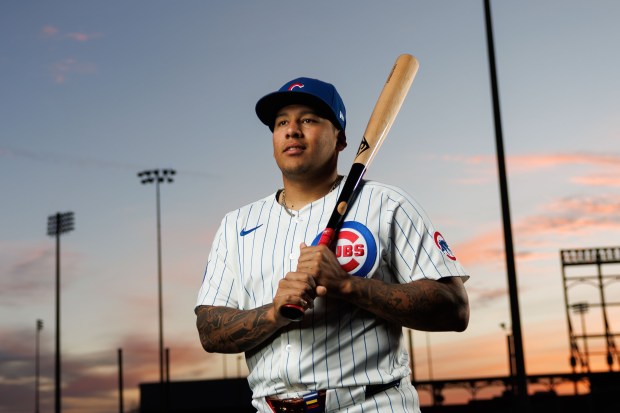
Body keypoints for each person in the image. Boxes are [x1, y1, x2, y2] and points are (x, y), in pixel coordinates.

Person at [195, 76, 470, 413]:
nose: (292, 130)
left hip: (370, 404)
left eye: (308, 120)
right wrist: (273, 313)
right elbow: (209, 331)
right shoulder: (236, 224)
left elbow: (454, 307)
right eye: (281, 122)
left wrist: (347, 285)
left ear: (340, 139)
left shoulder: (386, 203)